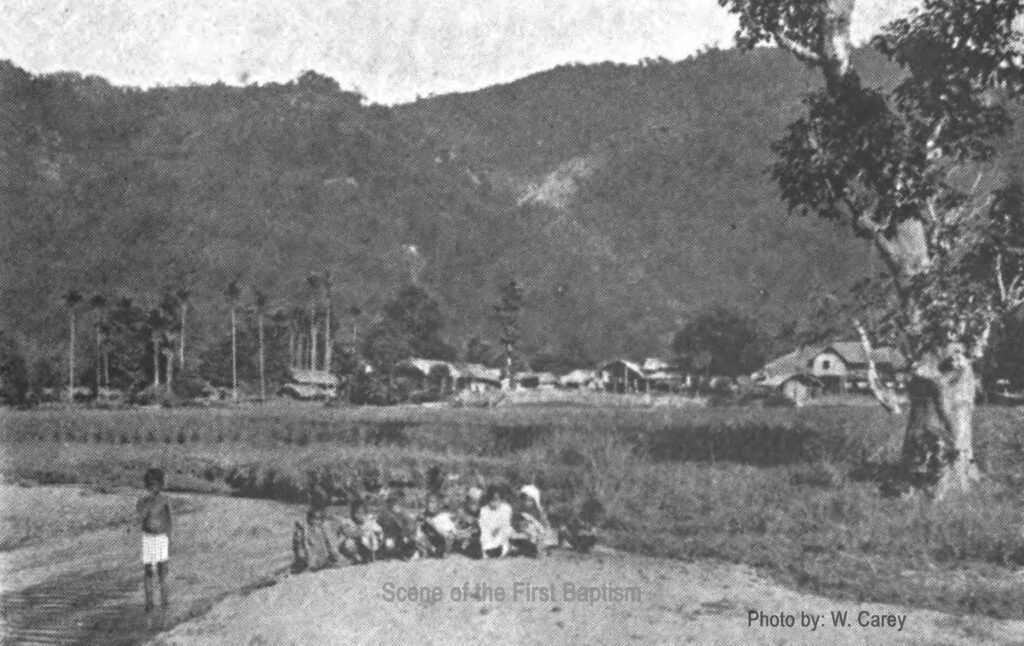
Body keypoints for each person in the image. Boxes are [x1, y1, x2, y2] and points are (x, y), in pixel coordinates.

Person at [137, 467, 172, 611]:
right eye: (150, 484)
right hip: (148, 538)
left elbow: (169, 521)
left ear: (161, 485)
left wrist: (169, 538)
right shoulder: (143, 501)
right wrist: (148, 502)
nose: (153, 487)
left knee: (162, 572)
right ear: (146, 485)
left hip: (161, 538)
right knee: (148, 571)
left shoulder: (164, 500)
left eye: (156, 484)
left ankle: (164, 602)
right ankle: (149, 602)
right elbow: (141, 515)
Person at [512, 484, 558, 558]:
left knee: (539, 532)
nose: (527, 503)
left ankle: (540, 549)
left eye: (530, 500)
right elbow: (515, 524)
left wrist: (544, 528)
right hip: (525, 533)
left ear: (534, 501)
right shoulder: (519, 511)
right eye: (525, 500)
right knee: (530, 528)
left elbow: (546, 524)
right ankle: (536, 549)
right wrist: (522, 524)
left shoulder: (538, 512)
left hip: (539, 533)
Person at [337, 500, 384, 564]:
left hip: (365, 545)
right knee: (349, 543)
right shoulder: (347, 522)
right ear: (354, 513)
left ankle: (371, 556)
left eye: (363, 513)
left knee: (373, 536)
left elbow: (378, 530)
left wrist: (376, 532)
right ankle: (357, 558)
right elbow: (349, 534)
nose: (361, 515)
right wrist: (362, 531)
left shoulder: (368, 520)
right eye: (358, 513)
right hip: (354, 545)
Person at [378, 493, 418, 560]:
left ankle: (407, 552)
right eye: (391, 503)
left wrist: (407, 535)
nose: (393, 505)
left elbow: (411, 524)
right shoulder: (384, 514)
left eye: (395, 503)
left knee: (408, 541)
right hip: (389, 537)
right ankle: (389, 554)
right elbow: (381, 527)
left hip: (401, 536)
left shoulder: (403, 514)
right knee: (389, 544)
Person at [477, 485, 513, 558]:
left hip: (501, 532)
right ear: (488, 499)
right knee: (484, 537)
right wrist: (490, 532)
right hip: (488, 534)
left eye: (497, 499)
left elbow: (505, 523)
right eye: (492, 499)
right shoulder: (484, 510)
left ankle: (502, 549)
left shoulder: (506, 508)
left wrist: (498, 529)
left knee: (504, 533)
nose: (494, 502)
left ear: (501, 499)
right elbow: (483, 525)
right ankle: (490, 550)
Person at [417, 492, 456, 558]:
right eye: (428, 502)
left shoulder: (444, 516)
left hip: (442, 544)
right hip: (430, 543)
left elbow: (449, 536)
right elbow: (418, 534)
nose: (430, 505)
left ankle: (443, 553)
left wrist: (433, 524)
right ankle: (425, 551)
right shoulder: (423, 516)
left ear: (439, 504)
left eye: (433, 502)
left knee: (448, 535)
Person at [453, 486, 483, 557]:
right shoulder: (461, 512)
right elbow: (456, 527)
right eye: (471, 502)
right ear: (467, 502)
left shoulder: (481, 513)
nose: (473, 505)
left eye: (475, 503)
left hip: (473, 539)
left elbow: (478, 527)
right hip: (463, 538)